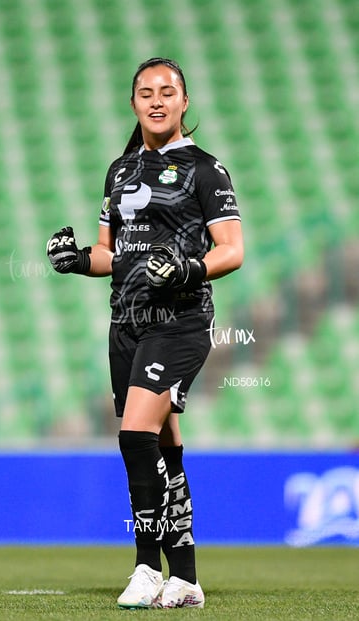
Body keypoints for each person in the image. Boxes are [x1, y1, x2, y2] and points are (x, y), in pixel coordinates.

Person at [46, 57, 243, 609]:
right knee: (163, 446)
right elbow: (114, 254)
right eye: (145, 92)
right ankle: (185, 578)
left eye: (168, 92)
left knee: (134, 436)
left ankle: (145, 567)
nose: (156, 101)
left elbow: (232, 250)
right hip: (125, 323)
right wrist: (77, 258)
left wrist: (189, 268)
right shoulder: (119, 171)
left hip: (179, 322)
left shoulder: (207, 171)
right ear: (133, 103)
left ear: (184, 102)